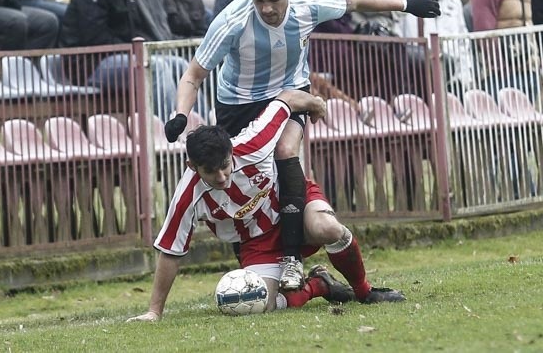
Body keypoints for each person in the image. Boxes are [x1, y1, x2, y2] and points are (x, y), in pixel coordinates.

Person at [163, 0, 440, 291]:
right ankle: (253, 258)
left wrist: (406, 3)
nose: (267, 8)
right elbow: (193, 75)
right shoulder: (232, 20)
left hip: (292, 92)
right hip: (238, 102)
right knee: (237, 179)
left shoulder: (309, 3)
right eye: (259, 0)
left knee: (284, 150)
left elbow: (354, 1)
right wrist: (180, 114)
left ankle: (292, 257)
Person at [126, 90, 406, 322]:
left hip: (293, 206)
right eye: (211, 172)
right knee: (264, 304)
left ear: (231, 152)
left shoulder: (253, 142)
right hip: (256, 241)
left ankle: (364, 291)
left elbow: (285, 101)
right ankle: (319, 284)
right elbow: (170, 252)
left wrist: (315, 103)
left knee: (328, 228)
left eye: (225, 166)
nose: (222, 177)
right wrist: (154, 311)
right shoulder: (188, 194)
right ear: (192, 166)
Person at [400, 0, 474, 93]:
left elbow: (463, 44)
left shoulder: (453, 1)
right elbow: (399, 38)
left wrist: (466, 80)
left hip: (453, 82)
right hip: (417, 79)